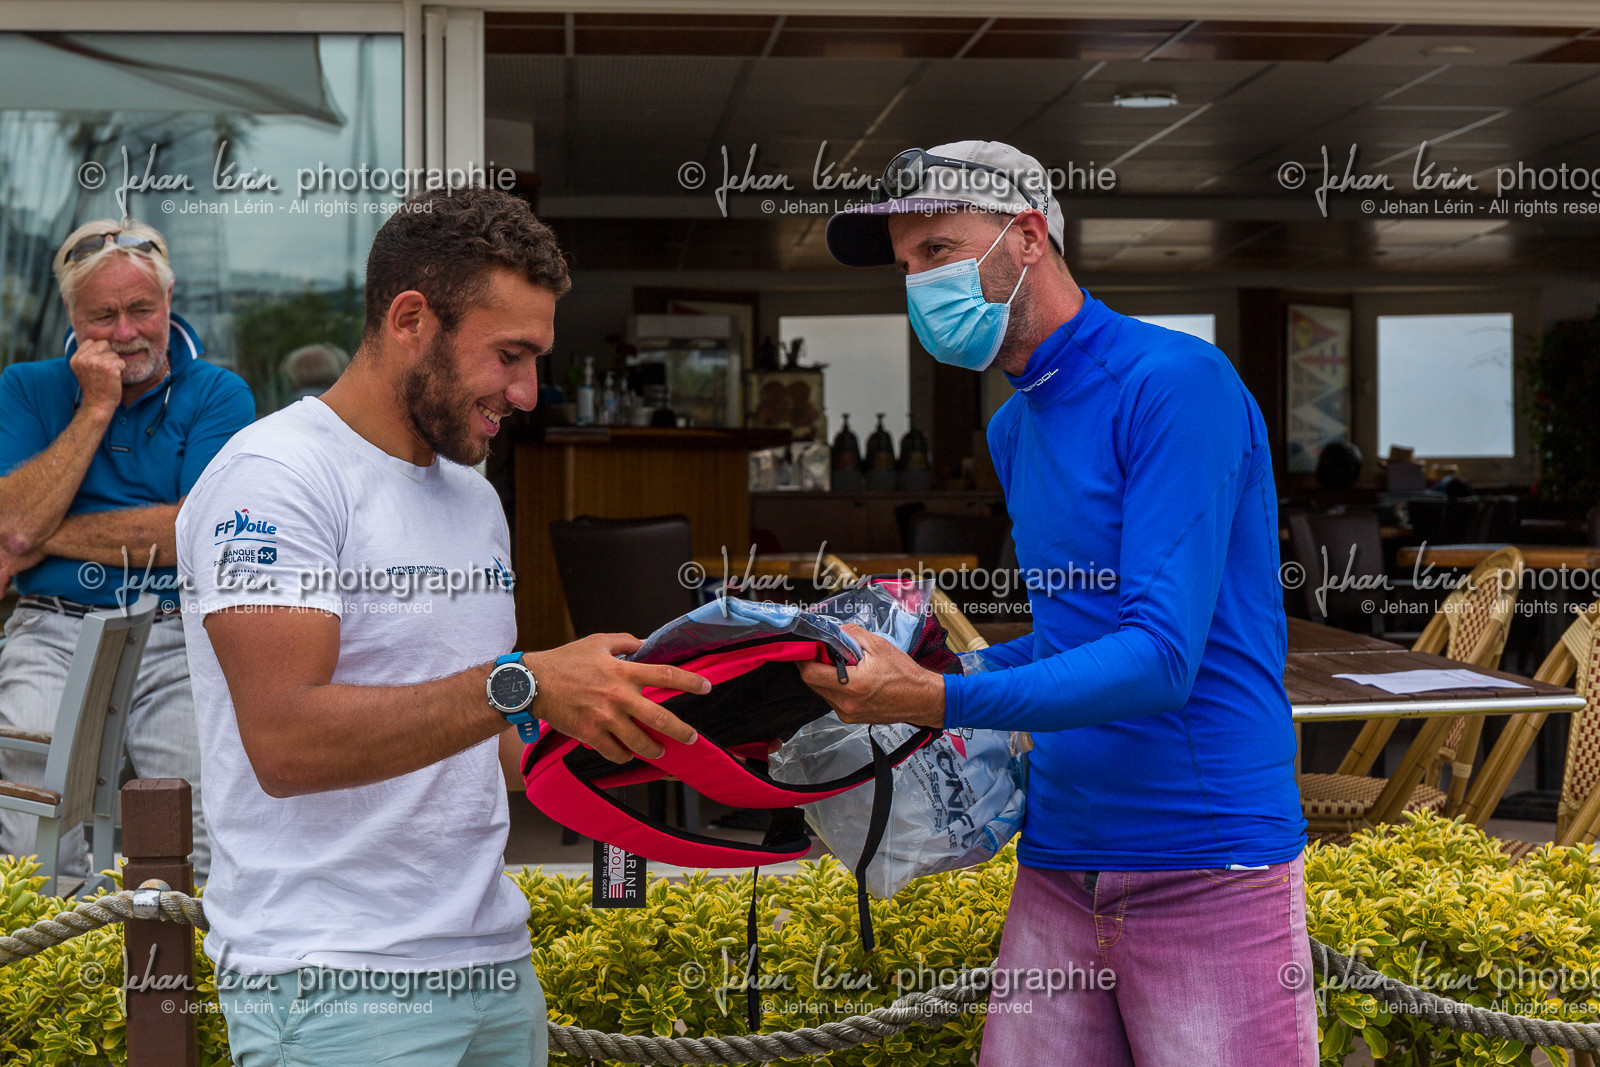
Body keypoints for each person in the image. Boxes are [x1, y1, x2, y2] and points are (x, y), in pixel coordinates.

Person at [801, 141, 1313, 1066]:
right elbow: (1077, 635)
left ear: (1027, 237)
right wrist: (943, 669)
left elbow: (1158, 657)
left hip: (1205, 859)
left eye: (938, 252)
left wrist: (932, 698)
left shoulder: (1176, 385)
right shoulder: (1014, 422)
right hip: (1060, 851)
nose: (919, 285)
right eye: (908, 264)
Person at [176, 186, 709, 1066]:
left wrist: (634, 718)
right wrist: (530, 681)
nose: (529, 393)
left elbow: (492, 741)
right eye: (510, 355)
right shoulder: (275, 477)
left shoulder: (471, 493)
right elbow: (285, 742)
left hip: (493, 964)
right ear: (411, 319)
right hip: (336, 982)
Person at [0, 217, 254, 882]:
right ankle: (62, 978)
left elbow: (193, 535)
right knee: (31, 834)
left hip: (176, 631)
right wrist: (95, 408)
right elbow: (13, 529)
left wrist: (40, 534)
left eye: (142, 309)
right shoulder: (27, 387)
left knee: (193, 826)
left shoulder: (218, 393)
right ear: (71, 313)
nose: (124, 332)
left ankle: (170, 978)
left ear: (170, 302)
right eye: (102, 315)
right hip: (49, 626)